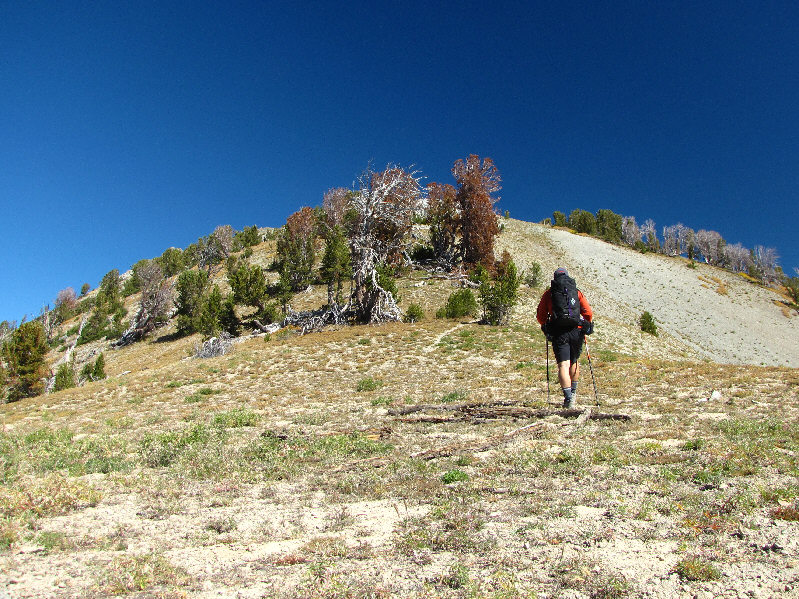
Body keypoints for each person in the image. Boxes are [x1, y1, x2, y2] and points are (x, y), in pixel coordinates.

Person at [536, 267, 593, 408]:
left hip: (559, 332)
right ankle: (573, 393)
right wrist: (585, 324)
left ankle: (568, 399)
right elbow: (588, 313)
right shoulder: (576, 292)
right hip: (576, 331)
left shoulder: (549, 294)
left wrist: (547, 325)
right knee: (574, 362)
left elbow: (540, 317)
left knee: (563, 365)